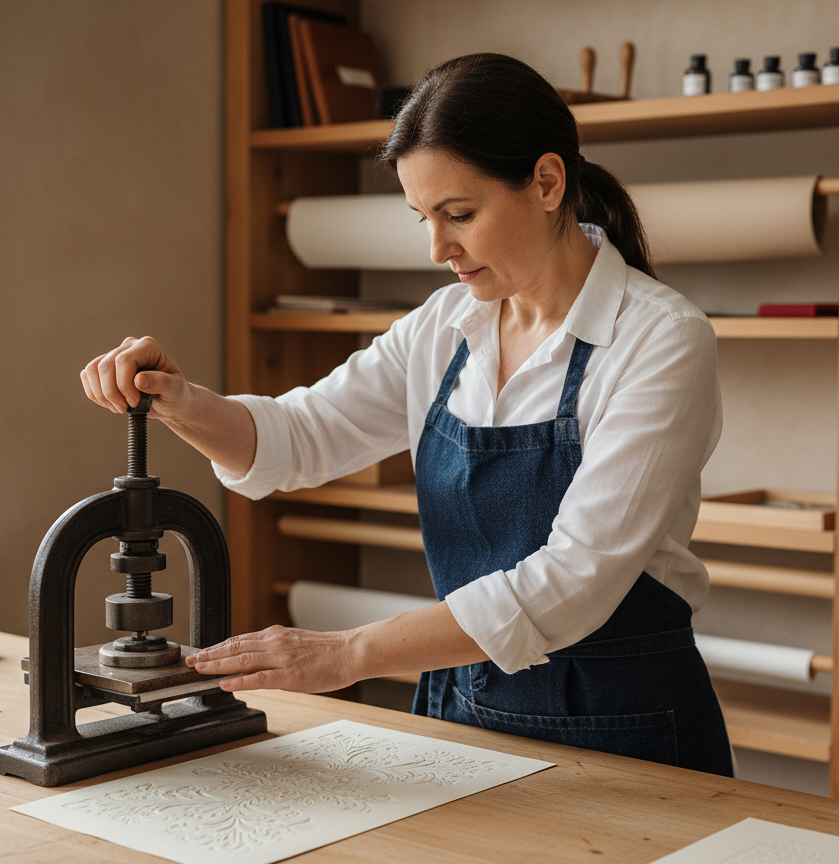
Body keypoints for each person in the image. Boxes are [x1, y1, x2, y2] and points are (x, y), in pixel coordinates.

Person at [82, 53, 732, 776]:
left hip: (625, 726)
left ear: (548, 182)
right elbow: (299, 437)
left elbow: (573, 580)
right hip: (462, 706)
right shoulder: (445, 325)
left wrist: (347, 654)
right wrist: (184, 402)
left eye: (459, 215)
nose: (436, 249)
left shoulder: (660, 338)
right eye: (423, 218)